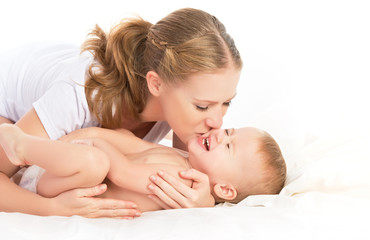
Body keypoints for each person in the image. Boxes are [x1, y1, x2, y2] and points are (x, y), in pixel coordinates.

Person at [0, 8, 242, 217]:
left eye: (226, 103)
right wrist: (51, 209)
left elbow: (195, 169)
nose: (217, 122)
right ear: (156, 84)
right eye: (202, 106)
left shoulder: (182, 111)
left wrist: (205, 203)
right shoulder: (79, 95)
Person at [0, 124, 286, 214]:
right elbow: (129, 143)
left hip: (65, 190)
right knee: (96, 155)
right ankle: (29, 147)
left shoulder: (184, 183)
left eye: (228, 147)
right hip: (59, 178)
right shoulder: (178, 155)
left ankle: (22, 143)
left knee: (95, 162)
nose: (221, 134)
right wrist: (86, 138)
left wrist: (95, 142)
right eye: (230, 131)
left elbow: (120, 171)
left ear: (224, 189)